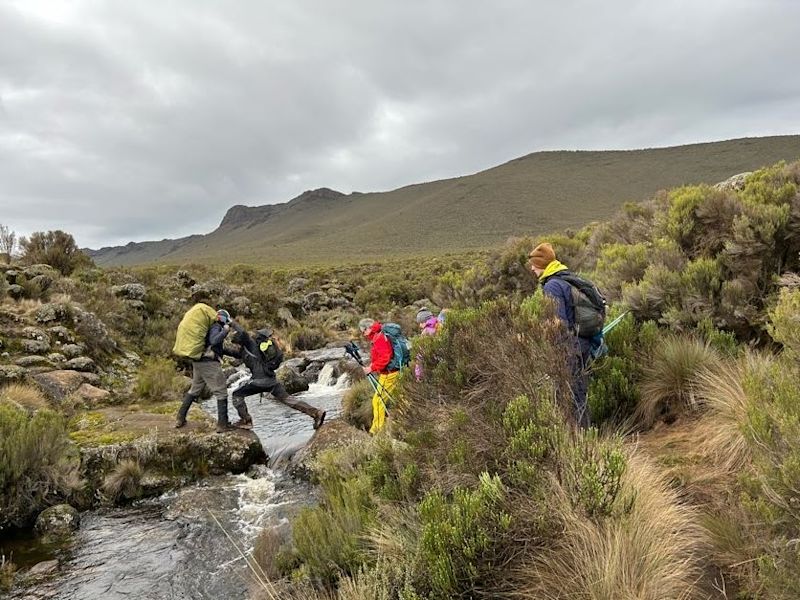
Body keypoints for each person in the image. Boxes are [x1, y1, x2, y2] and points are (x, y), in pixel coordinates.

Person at [529, 242, 597, 428]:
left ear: (542, 265)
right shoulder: (567, 278)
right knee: (580, 394)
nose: (532, 268)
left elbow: (558, 324)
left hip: (568, 349)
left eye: (535, 264)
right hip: (582, 343)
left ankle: (577, 443)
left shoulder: (552, 286)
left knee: (568, 397)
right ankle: (587, 438)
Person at [226, 324, 326, 430]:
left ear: (240, 341)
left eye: (236, 343)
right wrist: (218, 349)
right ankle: (316, 413)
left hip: (259, 382)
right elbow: (233, 353)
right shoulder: (247, 350)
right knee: (288, 400)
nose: (235, 345)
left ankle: (246, 421)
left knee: (237, 394)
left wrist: (230, 322)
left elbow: (243, 332)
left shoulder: (250, 344)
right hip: (271, 381)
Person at [174, 307, 236, 433]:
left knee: (194, 390)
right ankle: (222, 425)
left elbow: (219, 348)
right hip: (209, 364)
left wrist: (238, 354)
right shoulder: (216, 327)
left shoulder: (209, 328)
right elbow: (214, 341)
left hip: (198, 362)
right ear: (224, 319)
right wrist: (225, 331)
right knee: (221, 392)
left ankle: (180, 418)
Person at [358, 318, 401, 435]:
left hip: (389, 373)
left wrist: (371, 368)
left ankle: (376, 430)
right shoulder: (379, 334)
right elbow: (381, 356)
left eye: (363, 331)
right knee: (400, 396)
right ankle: (404, 419)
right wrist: (372, 365)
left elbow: (385, 358)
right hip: (391, 372)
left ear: (368, 328)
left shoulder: (379, 337)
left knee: (378, 401)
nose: (363, 334)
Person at [414, 307, 441, 381]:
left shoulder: (426, 332)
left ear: (425, 321)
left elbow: (421, 354)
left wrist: (419, 374)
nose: (420, 325)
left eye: (421, 322)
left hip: (431, 366)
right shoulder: (439, 325)